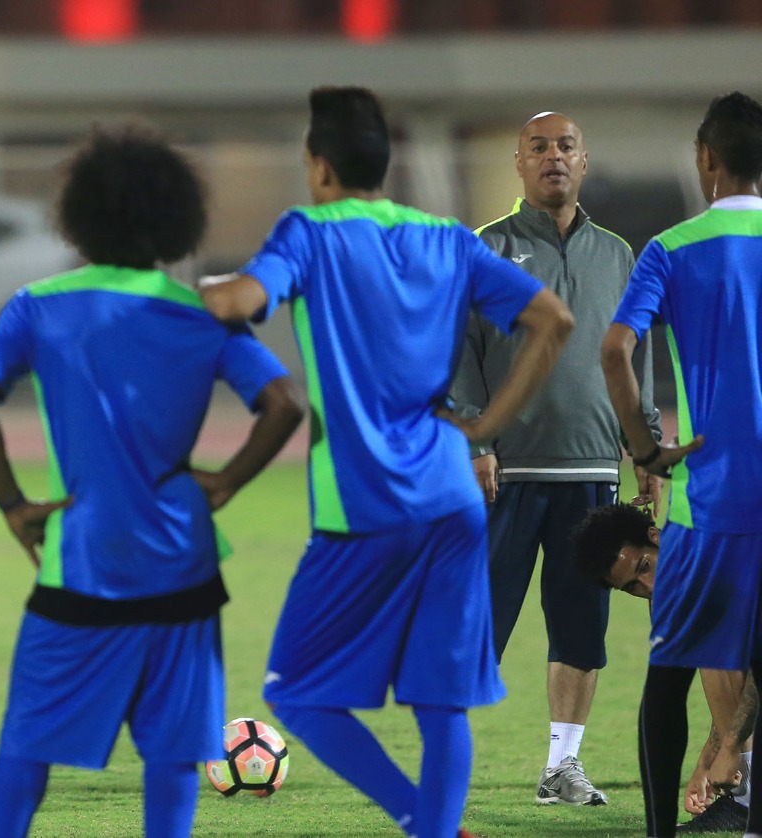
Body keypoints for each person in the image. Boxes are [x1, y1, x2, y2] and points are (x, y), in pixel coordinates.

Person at [198, 86, 574, 838]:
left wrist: (203, 290)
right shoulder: (447, 238)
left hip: (364, 504)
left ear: (318, 166)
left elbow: (237, 303)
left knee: (297, 693)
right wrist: (485, 426)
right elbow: (553, 320)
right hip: (452, 496)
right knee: (441, 705)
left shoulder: (310, 231)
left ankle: (415, 818)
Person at [0, 125, 303, 838]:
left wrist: (14, 505)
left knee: (28, 741)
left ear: (79, 214)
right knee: (174, 752)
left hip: (83, 557)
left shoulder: (39, 305)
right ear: (176, 218)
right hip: (183, 563)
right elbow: (282, 405)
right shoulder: (200, 314)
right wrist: (225, 482)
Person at [450, 110, 663, 806]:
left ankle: (562, 767)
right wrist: (477, 442)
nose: (553, 157)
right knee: (476, 627)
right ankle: (443, 761)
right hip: (505, 473)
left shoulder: (618, 254)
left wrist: (644, 446)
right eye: (538, 147)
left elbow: (633, 357)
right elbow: (460, 354)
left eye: (565, 146)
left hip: (592, 474)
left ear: (584, 159)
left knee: (581, 627)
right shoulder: (486, 248)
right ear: (518, 162)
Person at [599, 90, 762, 837]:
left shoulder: (670, 248)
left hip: (711, 501)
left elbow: (615, 350)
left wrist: (645, 450)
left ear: (706, 159)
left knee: (668, 679)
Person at [573, 504, 756, 833]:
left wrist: (729, 747)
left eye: (645, 566)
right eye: (632, 586)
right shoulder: (674, 589)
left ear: (655, 537)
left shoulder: (724, 553)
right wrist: (712, 756)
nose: (650, 585)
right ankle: (747, 795)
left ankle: (748, 801)